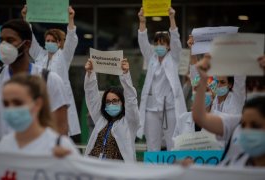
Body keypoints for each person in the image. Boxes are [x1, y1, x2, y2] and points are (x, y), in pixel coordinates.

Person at [0, 19, 69, 142]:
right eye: (1, 40)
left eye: (10, 40)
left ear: (26, 45)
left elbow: (61, 129)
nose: (3, 45)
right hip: (1, 158)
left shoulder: (49, 80)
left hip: (36, 158)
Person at [192, 56, 265, 167]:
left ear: (231, 84)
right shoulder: (236, 123)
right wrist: (203, 78)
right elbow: (200, 117)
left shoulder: (236, 98)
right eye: (244, 125)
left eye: (256, 126)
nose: (247, 130)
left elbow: (239, 79)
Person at [21, 5, 80, 136]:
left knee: (59, 137)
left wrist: (71, 19)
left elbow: (71, 40)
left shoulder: (64, 56)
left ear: (59, 43)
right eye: (47, 40)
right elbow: (30, 39)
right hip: (42, 102)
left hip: (58, 102)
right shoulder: (40, 54)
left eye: (52, 41)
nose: (49, 43)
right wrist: (25, 18)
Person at [137, 7, 186, 151]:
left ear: (168, 46)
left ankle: (172, 171)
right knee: (152, 145)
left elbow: (176, 40)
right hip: (152, 108)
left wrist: (171, 18)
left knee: (173, 144)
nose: (159, 46)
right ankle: (153, 172)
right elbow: (142, 42)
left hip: (170, 107)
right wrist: (142, 21)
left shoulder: (174, 57)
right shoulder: (151, 57)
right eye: (157, 43)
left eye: (162, 43)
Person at [0, 74, 79, 156]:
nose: (10, 109)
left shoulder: (61, 147)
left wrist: (66, 161)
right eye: (6, 104)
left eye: (18, 103)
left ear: (37, 104)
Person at [84, 59, 140, 162]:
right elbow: (91, 96)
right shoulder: (101, 120)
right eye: (108, 102)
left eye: (115, 101)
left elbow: (131, 100)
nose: (111, 104)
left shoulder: (129, 122)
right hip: (95, 170)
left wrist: (125, 75)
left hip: (117, 173)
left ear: (123, 102)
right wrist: (90, 73)